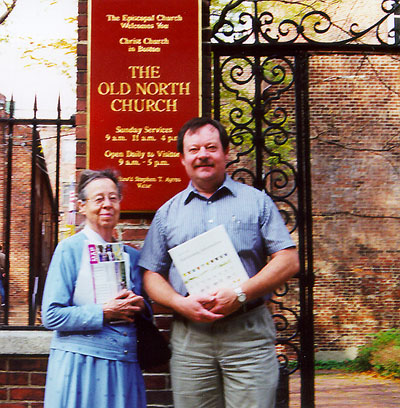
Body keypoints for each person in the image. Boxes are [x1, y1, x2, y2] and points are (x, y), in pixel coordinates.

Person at [138, 117, 300, 408]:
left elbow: (288, 260)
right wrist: (179, 303)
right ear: (183, 159)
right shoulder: (167, 214)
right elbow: (151, 274)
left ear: (226, 153)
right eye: (194, 149)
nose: (203, 155)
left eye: (211, 147)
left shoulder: (257, 202)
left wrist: (241, 293)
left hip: (248, 334)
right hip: (191, 339)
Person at [42, 169, 147, 408]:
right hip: (80, 365)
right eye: (98, 199)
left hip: (123, 366)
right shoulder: (70, 250)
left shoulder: (132, 256)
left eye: (113, 197)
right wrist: (103, 312)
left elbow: (141, 311)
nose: (107, 204)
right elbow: (51, 315)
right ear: (82, 206)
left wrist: (140, 306)